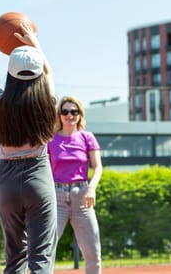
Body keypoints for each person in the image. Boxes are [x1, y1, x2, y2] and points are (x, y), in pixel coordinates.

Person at [0, 21, 58, 273]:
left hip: (7, 181)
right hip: (38, 177)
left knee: (14, 257)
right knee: (41, 256)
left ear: (11, 74)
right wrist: (34, 42)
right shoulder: (47, 102)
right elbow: (49, 72)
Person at [47, 96, 103, 274]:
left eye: (74, 111)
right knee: (44, 249)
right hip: (56, 197)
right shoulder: (50, 139)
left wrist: (92, 188)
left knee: (93, 253)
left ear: (79, 114)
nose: (69, 115)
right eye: (65, 111)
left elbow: (98, 167)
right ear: (59, 115)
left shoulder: (87, 137)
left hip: (83, 198)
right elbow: (44, 170)